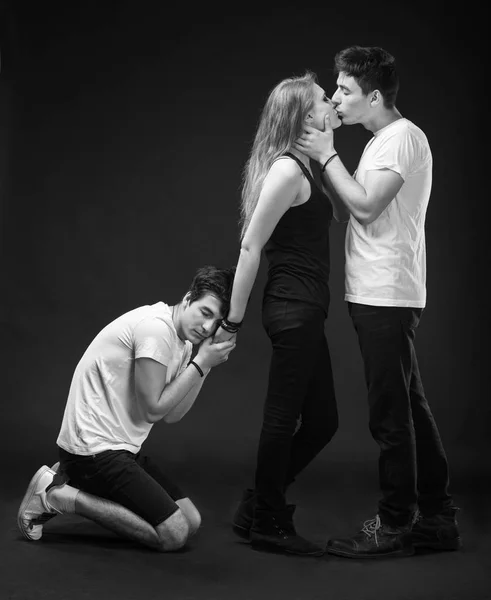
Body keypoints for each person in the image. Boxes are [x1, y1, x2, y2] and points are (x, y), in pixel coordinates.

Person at [294, 45, 462, 558]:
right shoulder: (381, 142)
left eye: (344, 90)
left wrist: (325, 155)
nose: (337, 99)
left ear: (372, 95)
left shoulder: (400, 139)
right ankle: (437, 519)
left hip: (386, 295)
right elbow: (358, 206)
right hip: (380, 291)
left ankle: (394, 525)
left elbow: (364, 208)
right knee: (410, 406)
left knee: (390, 416)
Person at [17, 265, 236, 552]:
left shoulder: (182, 343)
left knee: (191, 521)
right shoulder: (157, 329)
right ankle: (56, 495)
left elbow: (173, 415)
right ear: (187, 299)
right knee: (174, 535)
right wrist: (203, 363)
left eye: (216, 321)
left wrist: (203, 367)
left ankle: (65, 478)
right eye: (205, 313)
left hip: (121, 451)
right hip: (93, 453)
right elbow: (153, 411)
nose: (207, 327)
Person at [213, 71, 342, 557]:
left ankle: (257, 504)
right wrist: (232, 319)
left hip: (306, 308)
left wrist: (328, 151)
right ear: (304, 115)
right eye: (324, 100)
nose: (331, 103)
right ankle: (268, 519)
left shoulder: (308, 166)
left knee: (323, 420)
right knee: (282, 418)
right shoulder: (288, 170)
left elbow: (346, 213)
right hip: (292, 308)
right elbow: (250, 245)